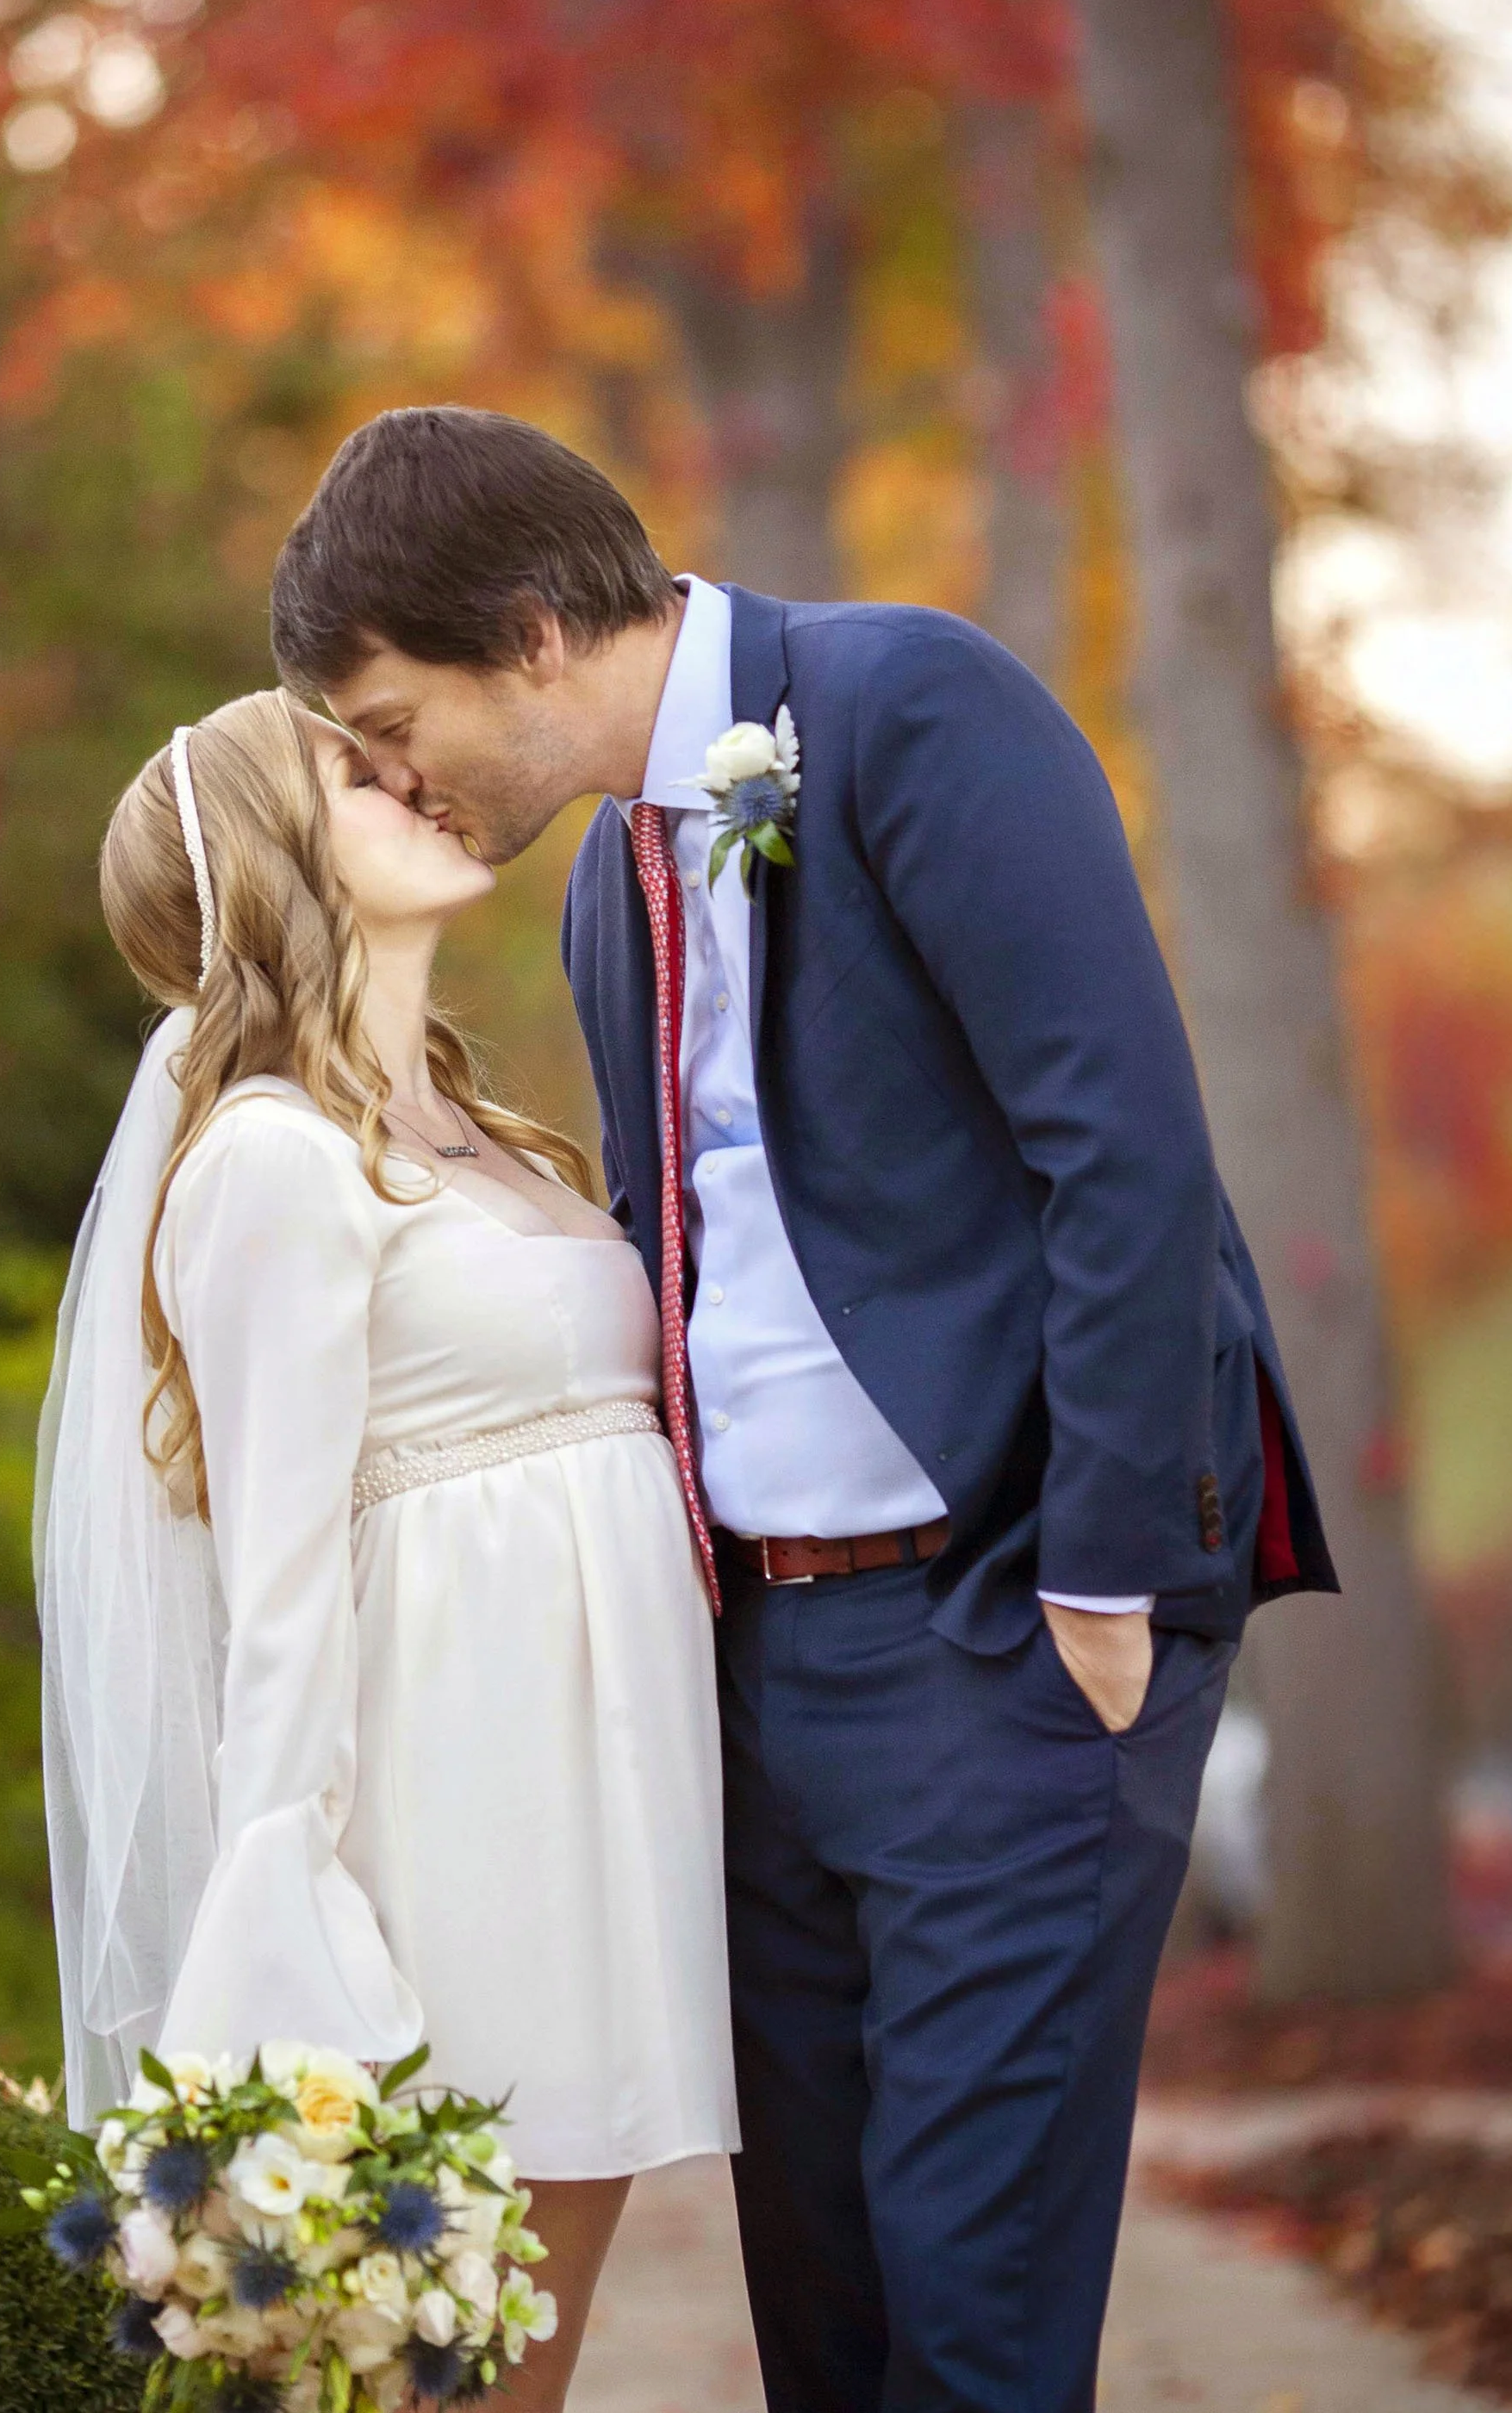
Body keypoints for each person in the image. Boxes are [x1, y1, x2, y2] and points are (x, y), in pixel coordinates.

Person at [273, 405, 1340, 2413]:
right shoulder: (609, 880)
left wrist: (1104, 1577)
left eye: (385, 714)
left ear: (523, 631)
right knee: (826, 2325)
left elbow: (1122, 1150)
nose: (379, 774)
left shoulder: (908, 705)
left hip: (1011, 1627)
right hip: (762, 1673)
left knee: (969, 2316)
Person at [36, 688, 736, 2409]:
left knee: (524, 2358)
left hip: (596, 1786)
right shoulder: (269, 1163)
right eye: (353, 767)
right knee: (467, 2373)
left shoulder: (475, 1129)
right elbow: (276, 1590)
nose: (411, 773)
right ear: (276, 857)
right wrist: (284, 1907)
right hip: (459, 1818)